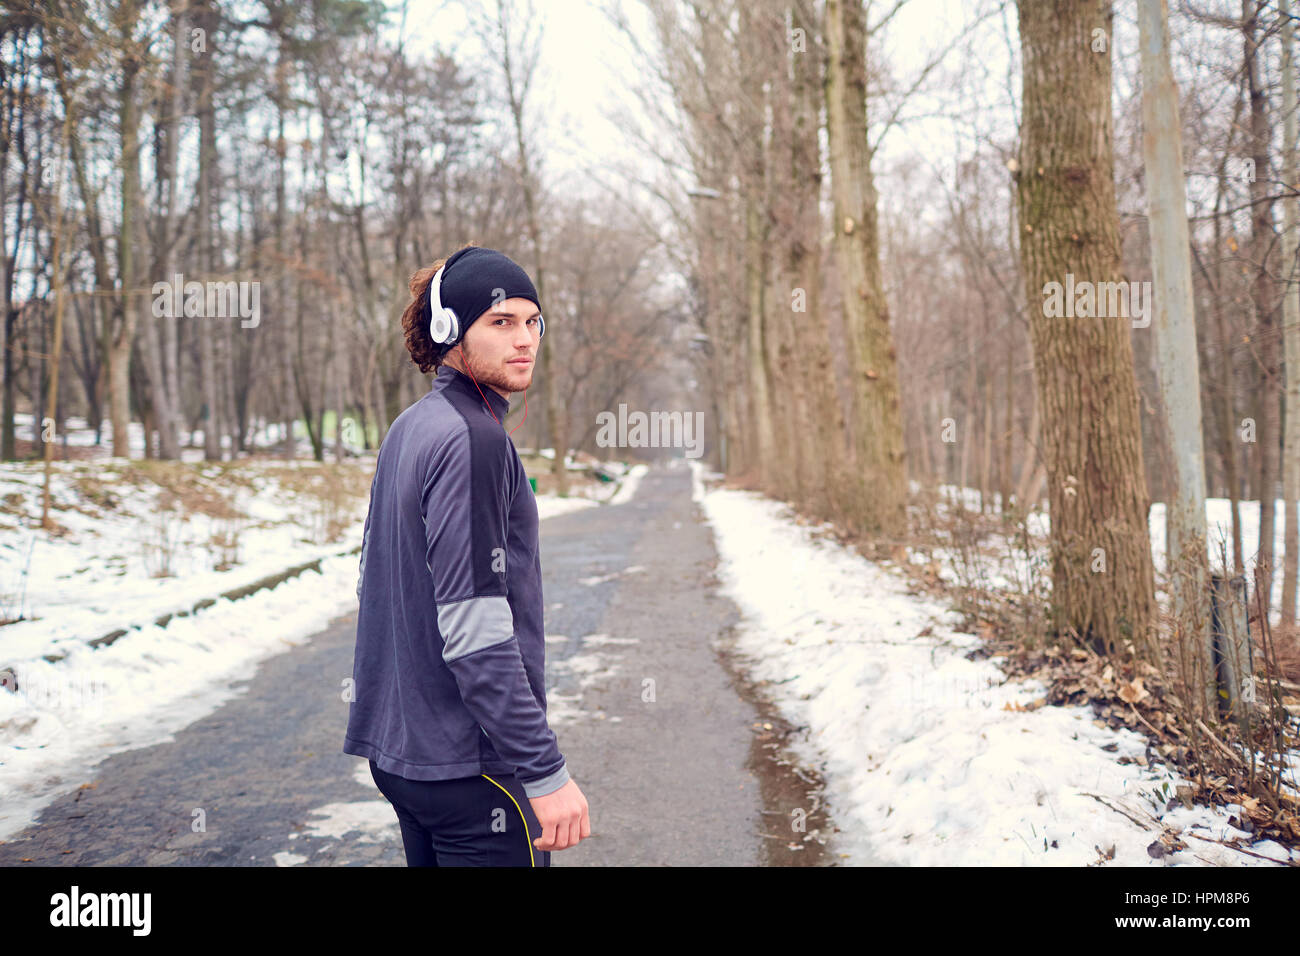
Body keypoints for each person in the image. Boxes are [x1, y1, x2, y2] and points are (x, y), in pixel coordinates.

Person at [344, 244, 590, 867]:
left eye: (533, 322)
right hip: (473, 774)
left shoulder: (413, 426)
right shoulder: (474, 441)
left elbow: (376, 583)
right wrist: (543, 771)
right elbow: (475, 629)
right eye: (501, 322)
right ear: (449, 329)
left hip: (405, 760)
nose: (525, 340)